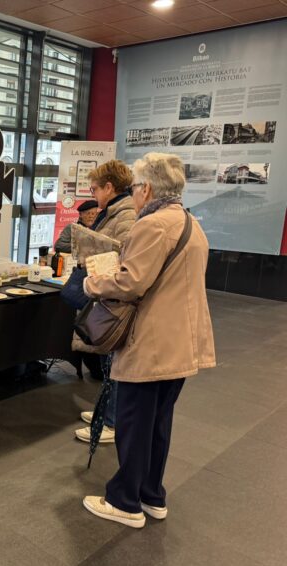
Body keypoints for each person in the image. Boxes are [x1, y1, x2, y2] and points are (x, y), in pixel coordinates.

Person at [82, 152, 216, 528]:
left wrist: (93, 283)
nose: (135, 192)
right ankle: (151, 494)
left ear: (149, 188)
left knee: (134, 422)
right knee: (158, 422)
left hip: (154, 343)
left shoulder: (153, 225)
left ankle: (125, 500)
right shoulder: (191, 223)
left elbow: (130, 282)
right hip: (182, 341)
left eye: (137, 186)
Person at [74, 160, 137, 444]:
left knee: (114, 363)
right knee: (110, 362)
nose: (94, 195)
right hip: (108, 293)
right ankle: (104, 412)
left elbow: (121, 257)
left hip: (114, 297)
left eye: (96, 189)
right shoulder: (116, 211)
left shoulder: (125, 215)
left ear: (109, 187)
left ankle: (110, 422)